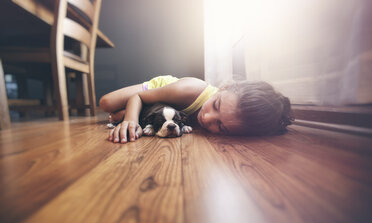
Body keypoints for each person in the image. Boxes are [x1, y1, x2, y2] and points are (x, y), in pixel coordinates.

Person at [99, 75, 293, 143]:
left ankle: (135, 113)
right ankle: (133, 112)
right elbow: (137, 96)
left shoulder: (237, 124)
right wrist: (130, 121)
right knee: (106, 103)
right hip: (159, 90)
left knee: (121, 112)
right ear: (223, 88)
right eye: (216, 105)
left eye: (221, 126)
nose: (207, 118)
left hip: (165, 113)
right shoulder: (188, 89)